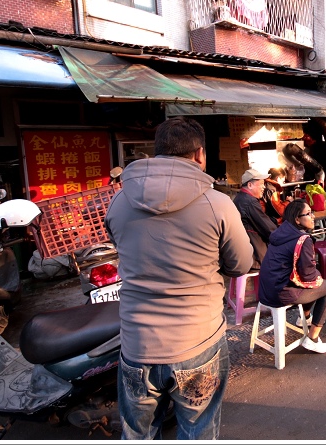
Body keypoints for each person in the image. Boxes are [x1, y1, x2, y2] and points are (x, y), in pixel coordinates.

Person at [105, 117, 254, 440]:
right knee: (197, 432)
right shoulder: (218, 205)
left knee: (138, 435)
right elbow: (241, 264)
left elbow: (123, 249)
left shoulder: (119, 202)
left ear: (156, 152)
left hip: (136, 344)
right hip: (197, 343)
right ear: (200, 155)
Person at [258, 199, 326, 353]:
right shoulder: (303, 239)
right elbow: (308, 276)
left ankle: (304, 319)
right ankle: (312, 339)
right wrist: (318, 275)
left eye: (311, 212)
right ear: (297, 219)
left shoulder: (280, 232)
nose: (313, 216)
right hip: (281, 294)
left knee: (312, 286)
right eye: (308, 213)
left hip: (265, 292)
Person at [234, 168, 278, 269]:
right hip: (256, 256)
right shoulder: (250, 202)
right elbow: (269, 229)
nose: (264, 187)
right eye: (261, 184)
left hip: (245, 253)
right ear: (250, 185)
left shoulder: (240, 198)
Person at [302, 118, 326, 197]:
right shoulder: (310, 149)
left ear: (313, 137)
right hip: (313, 187)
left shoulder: (324, 149)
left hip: (323, 187)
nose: (304, 138)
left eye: (307, 135)